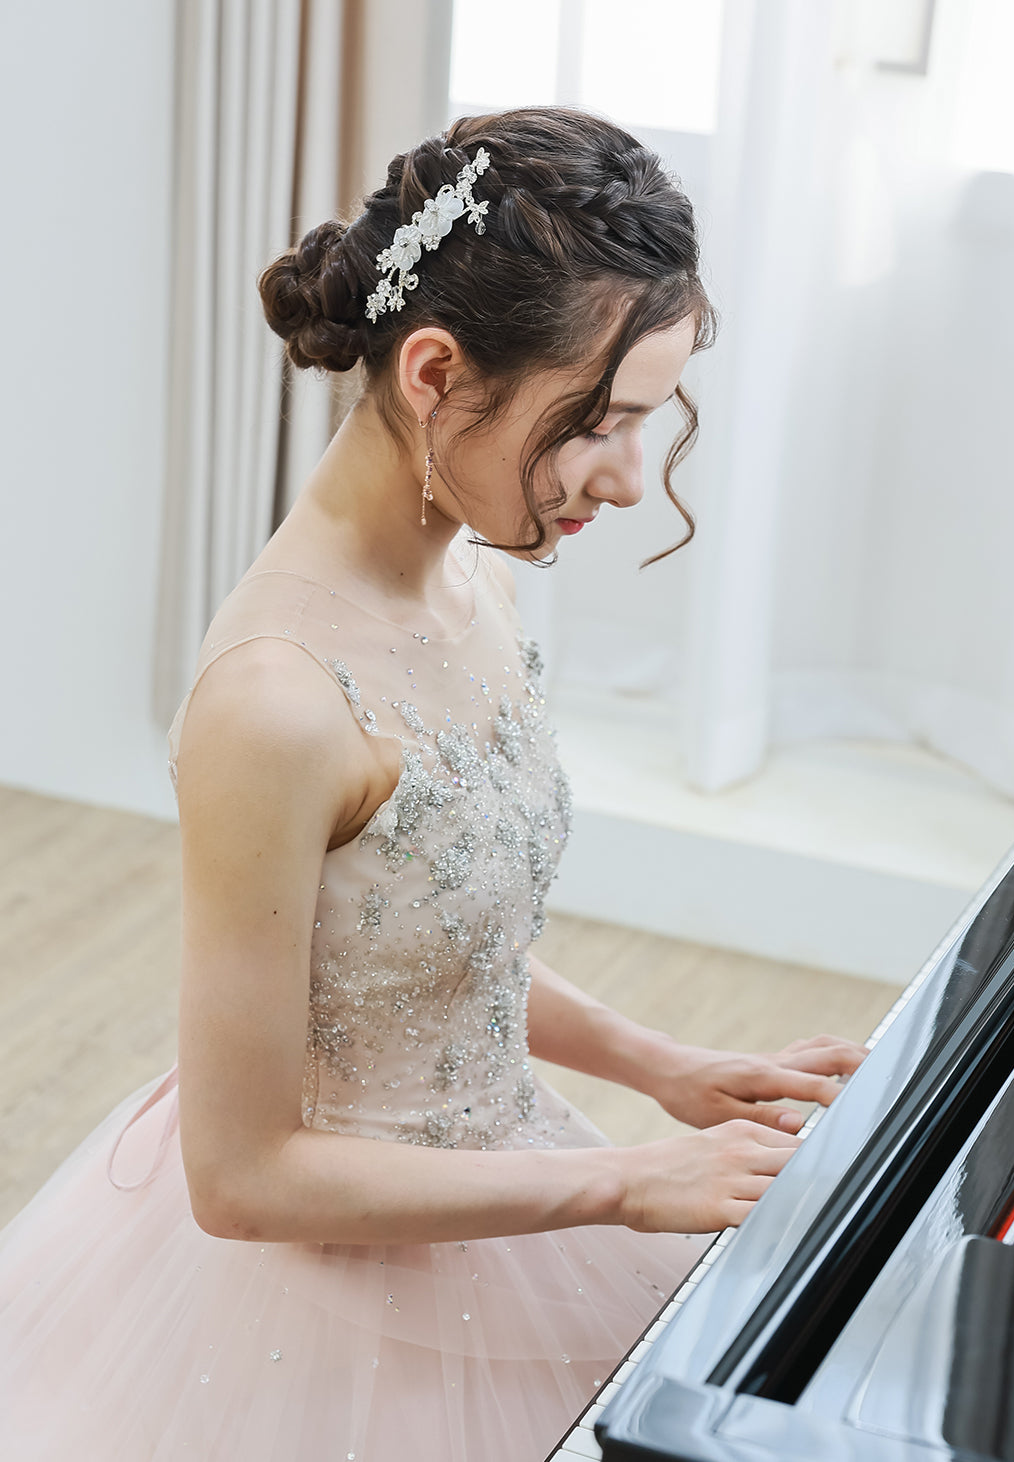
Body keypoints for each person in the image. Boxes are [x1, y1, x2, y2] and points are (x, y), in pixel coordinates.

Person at [0, 105, 866, 1460]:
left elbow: (428, 950)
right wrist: (627, 1177)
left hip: (494, 1174)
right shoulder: (276, 703)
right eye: (599, 423)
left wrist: (666, 1063)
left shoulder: (472, 577)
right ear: (433, 371)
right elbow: (236, 1178)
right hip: (320, 1292)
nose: (631, 481)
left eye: (653, 423)